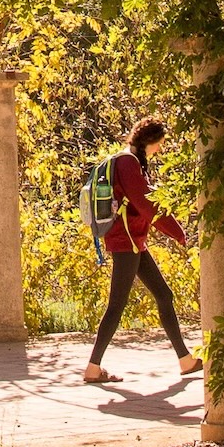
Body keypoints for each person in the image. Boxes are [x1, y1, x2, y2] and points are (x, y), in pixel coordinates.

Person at [83, 117, 200, 384]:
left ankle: (185, 360)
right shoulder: (128, 163)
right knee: (116, 306)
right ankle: (92, 368)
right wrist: (178, 232)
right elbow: (147, 205)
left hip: (133, 241)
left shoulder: (131, 161)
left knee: (164, 295)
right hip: (126, 241)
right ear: (150, 141)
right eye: (159, 144)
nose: (160, 149)